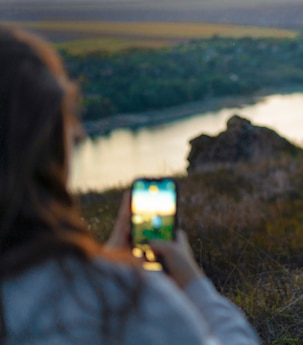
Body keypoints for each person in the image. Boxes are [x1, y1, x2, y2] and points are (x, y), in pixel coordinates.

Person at [0, 26, 260, 345]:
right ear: (49, 145)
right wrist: (192, 280)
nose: (79, 132)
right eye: (69, 121)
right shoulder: (125, 302)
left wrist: (106, 259)